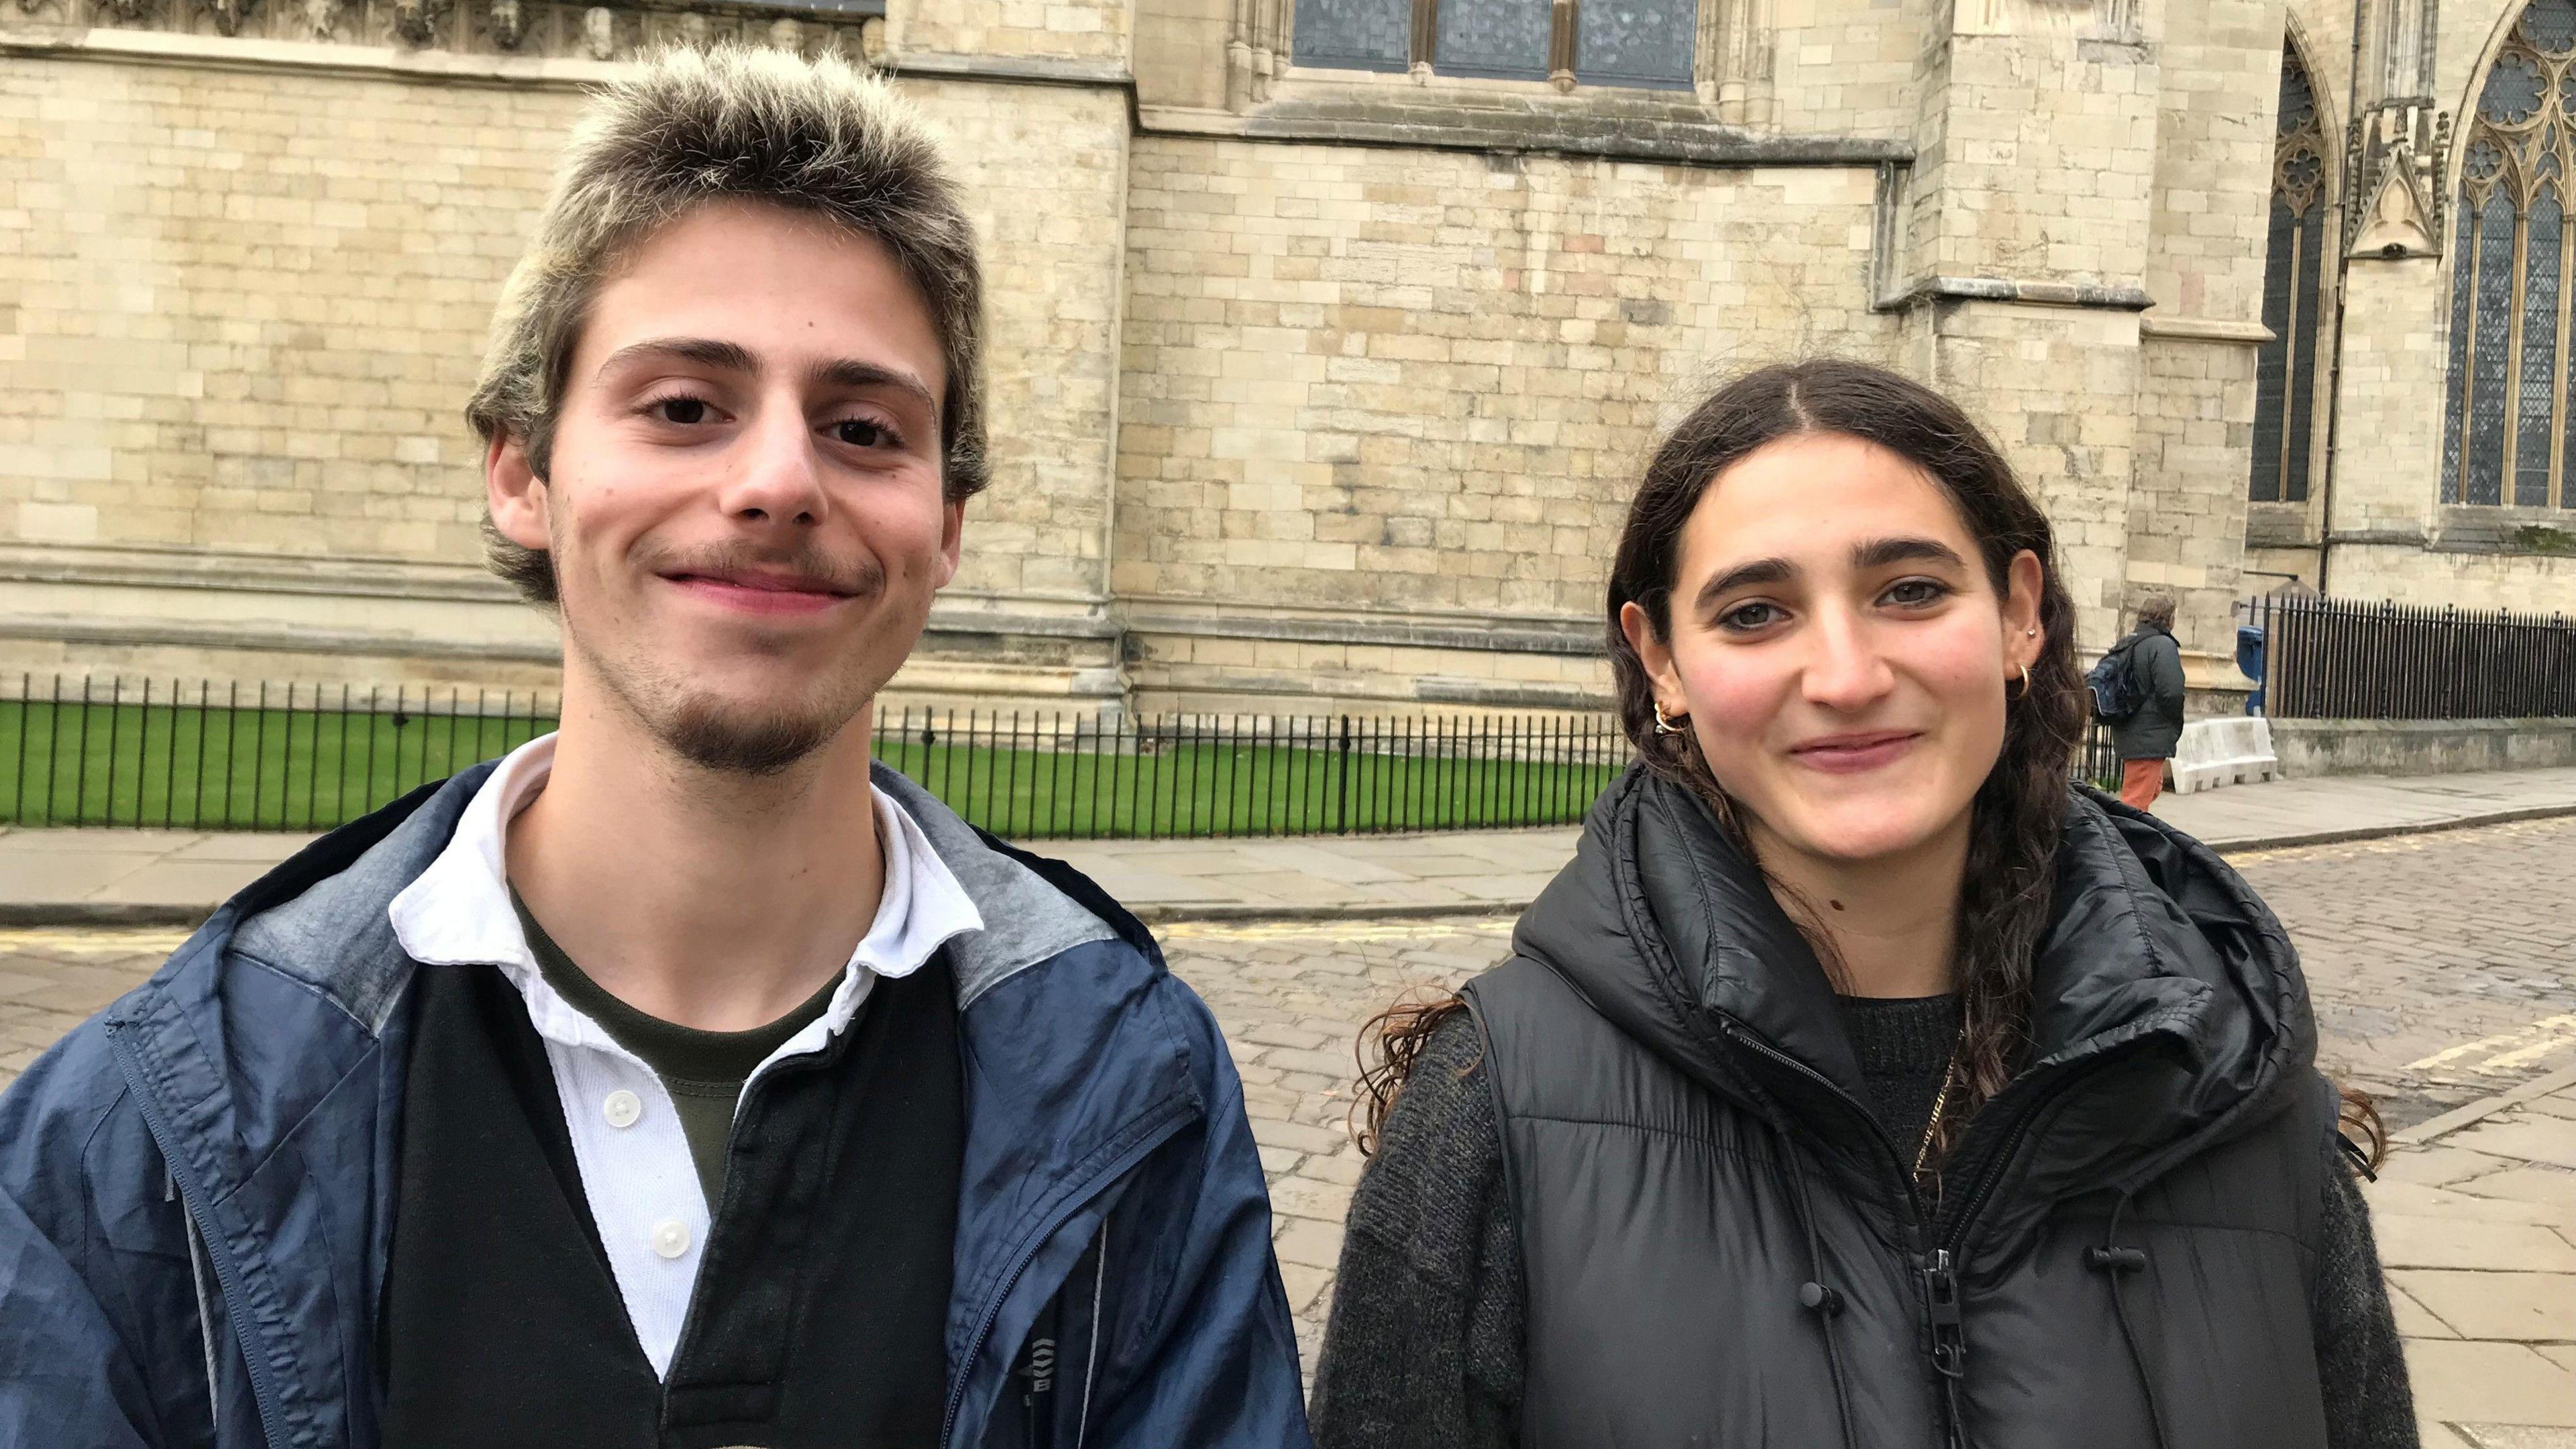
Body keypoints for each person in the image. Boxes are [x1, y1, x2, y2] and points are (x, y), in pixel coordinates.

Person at [0, 48, 1310, 1449]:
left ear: (948, 526)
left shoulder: (1136, 1084)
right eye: (685, 406)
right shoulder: (146, 1130)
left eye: (865, 429)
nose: (776, 483)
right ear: (522, 469)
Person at [1308, 360, 2415, 1449]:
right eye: (1753, 613)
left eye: (1912, 591)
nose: (1843, 675)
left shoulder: (2235, 1097)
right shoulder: (1494, 1114)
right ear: (1663, 664)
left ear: (2018, 613)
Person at [2110, 592, 2189, 808]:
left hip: (2130, 732)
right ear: (2168, 618)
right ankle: (2127, 841)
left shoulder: (2129, 643)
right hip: (2149, 735)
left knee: (2152, 788)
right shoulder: (2162, 646)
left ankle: (2137, 836)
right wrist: (2174, 723)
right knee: (2134, 804)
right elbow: (2171, 693)